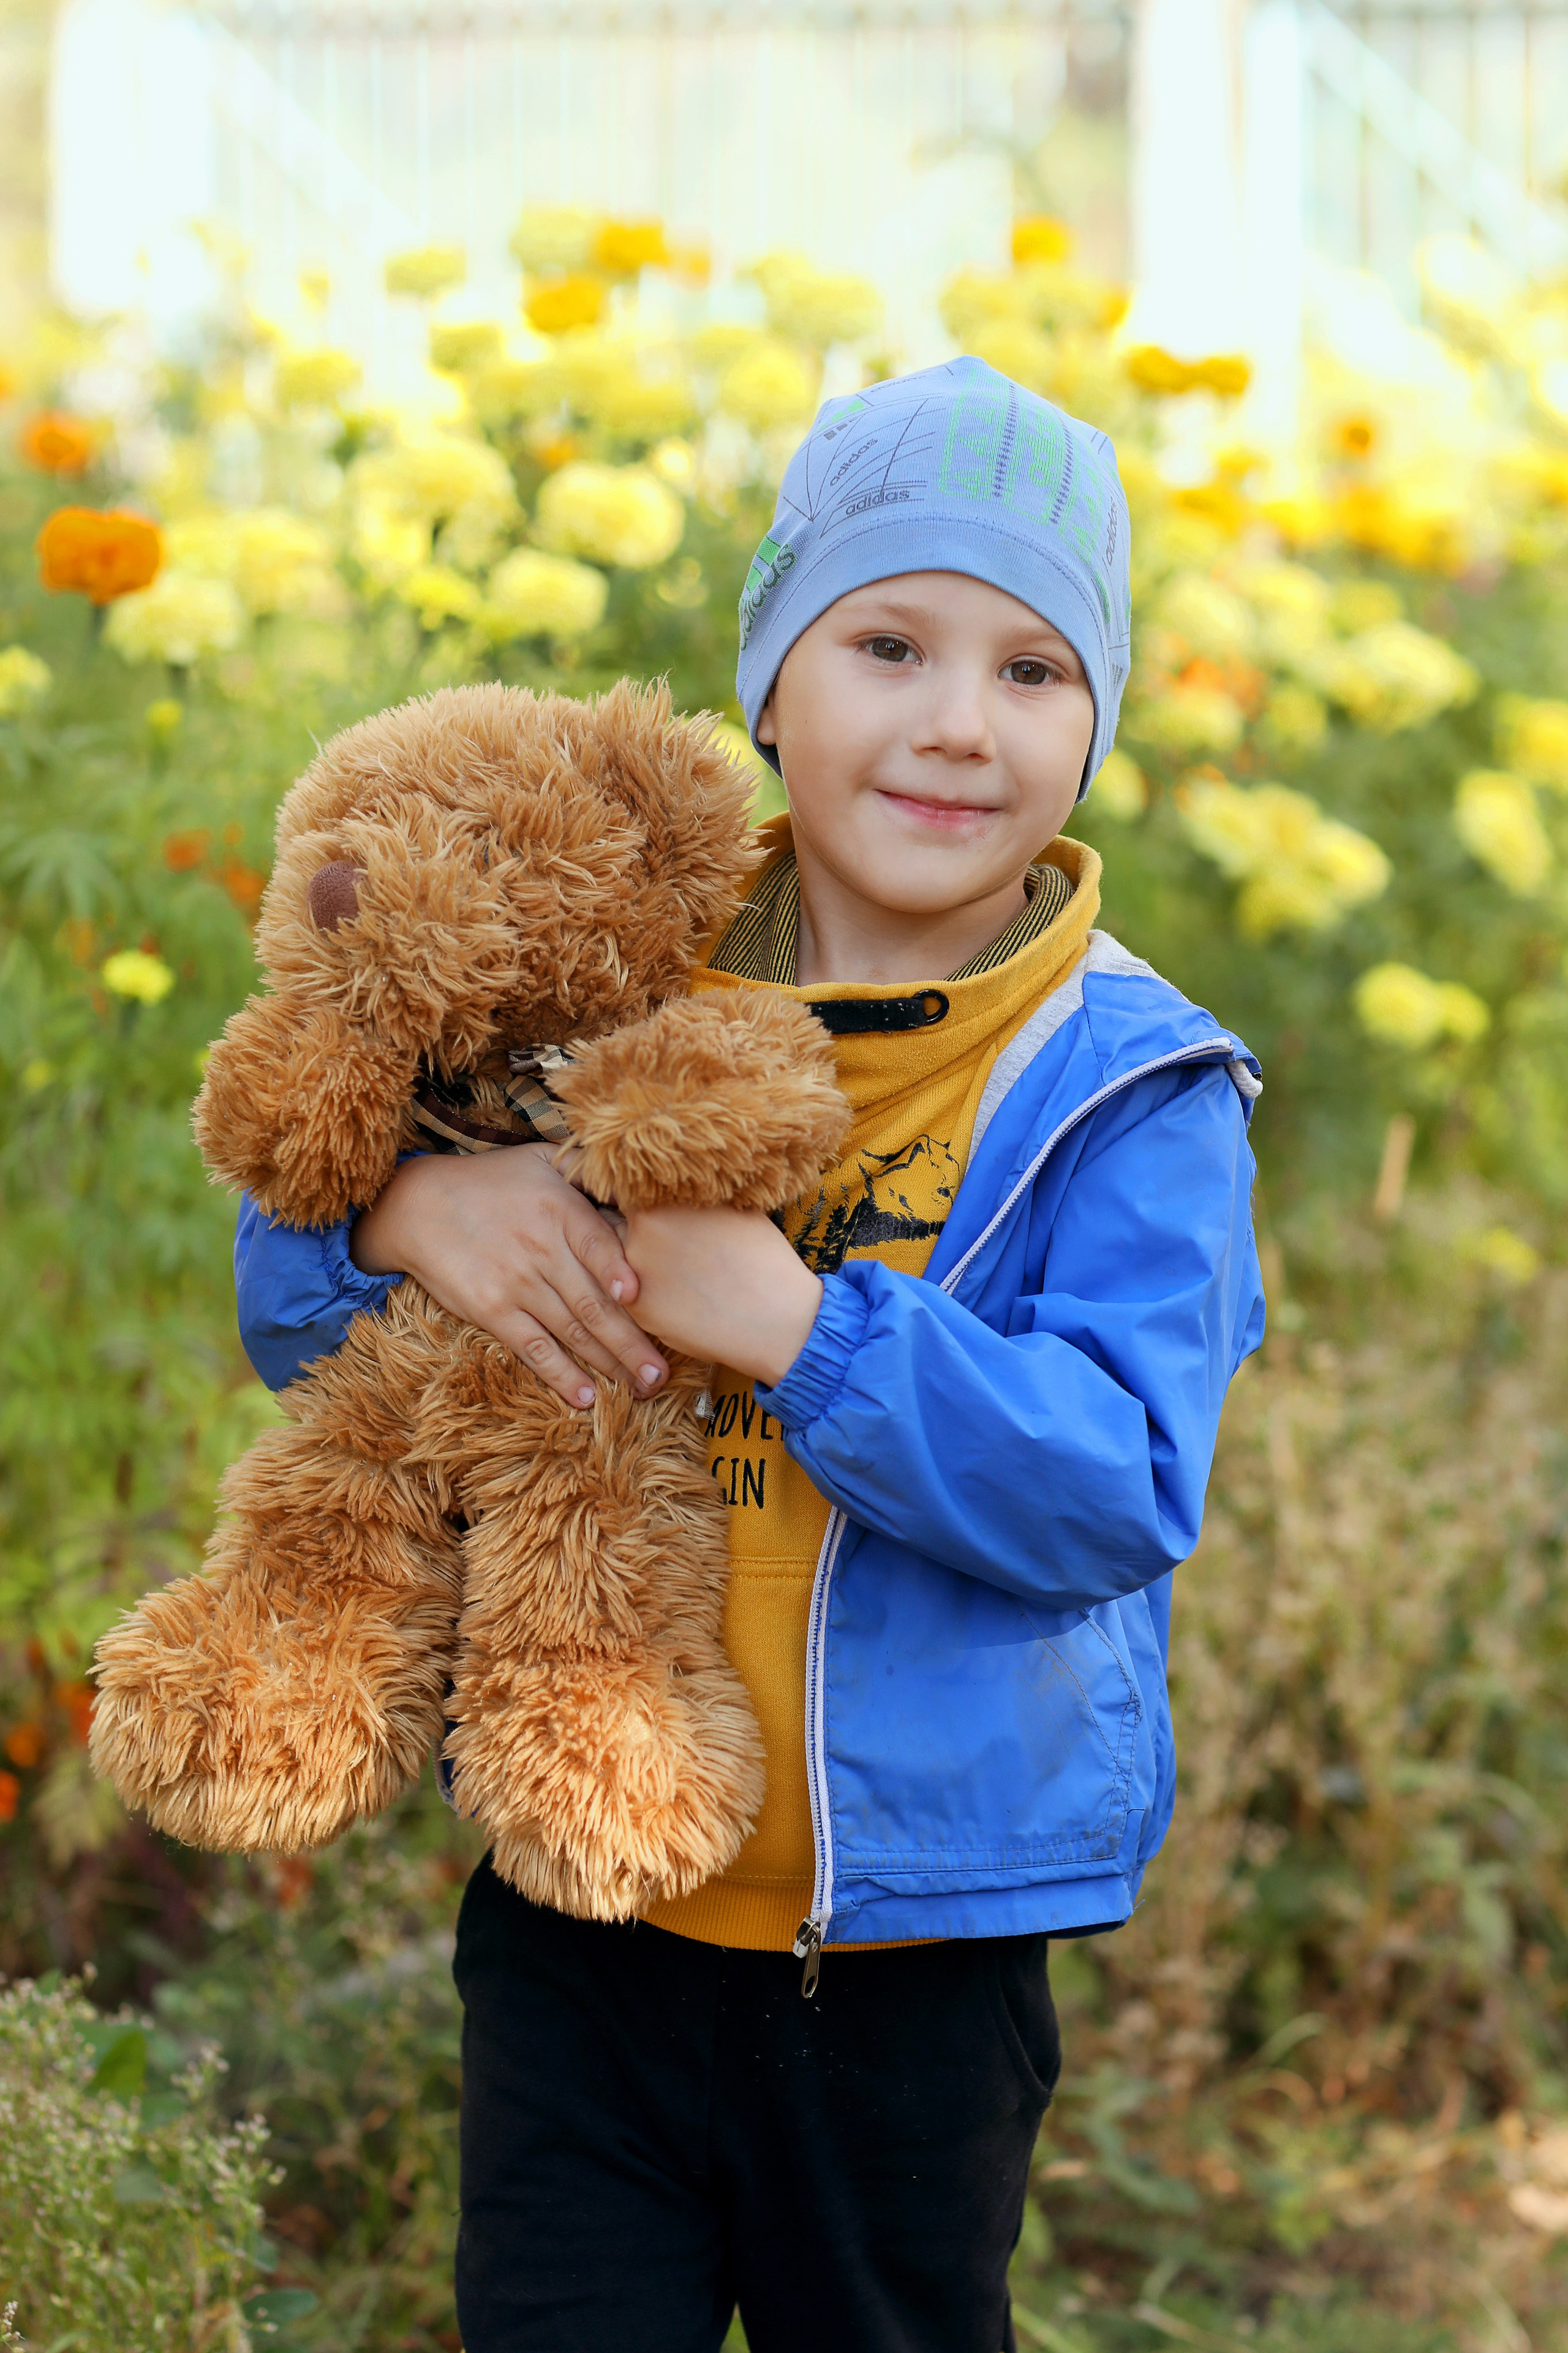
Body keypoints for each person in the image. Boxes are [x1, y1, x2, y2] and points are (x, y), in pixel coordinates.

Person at [233, 357, 1265, 2353]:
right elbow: (292, 1302)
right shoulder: (612, 961)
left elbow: (1118, 1480)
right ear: (771, 681)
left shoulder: (1128, 1084)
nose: (958, 721)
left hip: (905, 1963)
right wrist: (400, 1216)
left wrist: (799, 1327)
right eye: (890, 643)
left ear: (1098, 725)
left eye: (1036, 669)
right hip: (579, 1916)